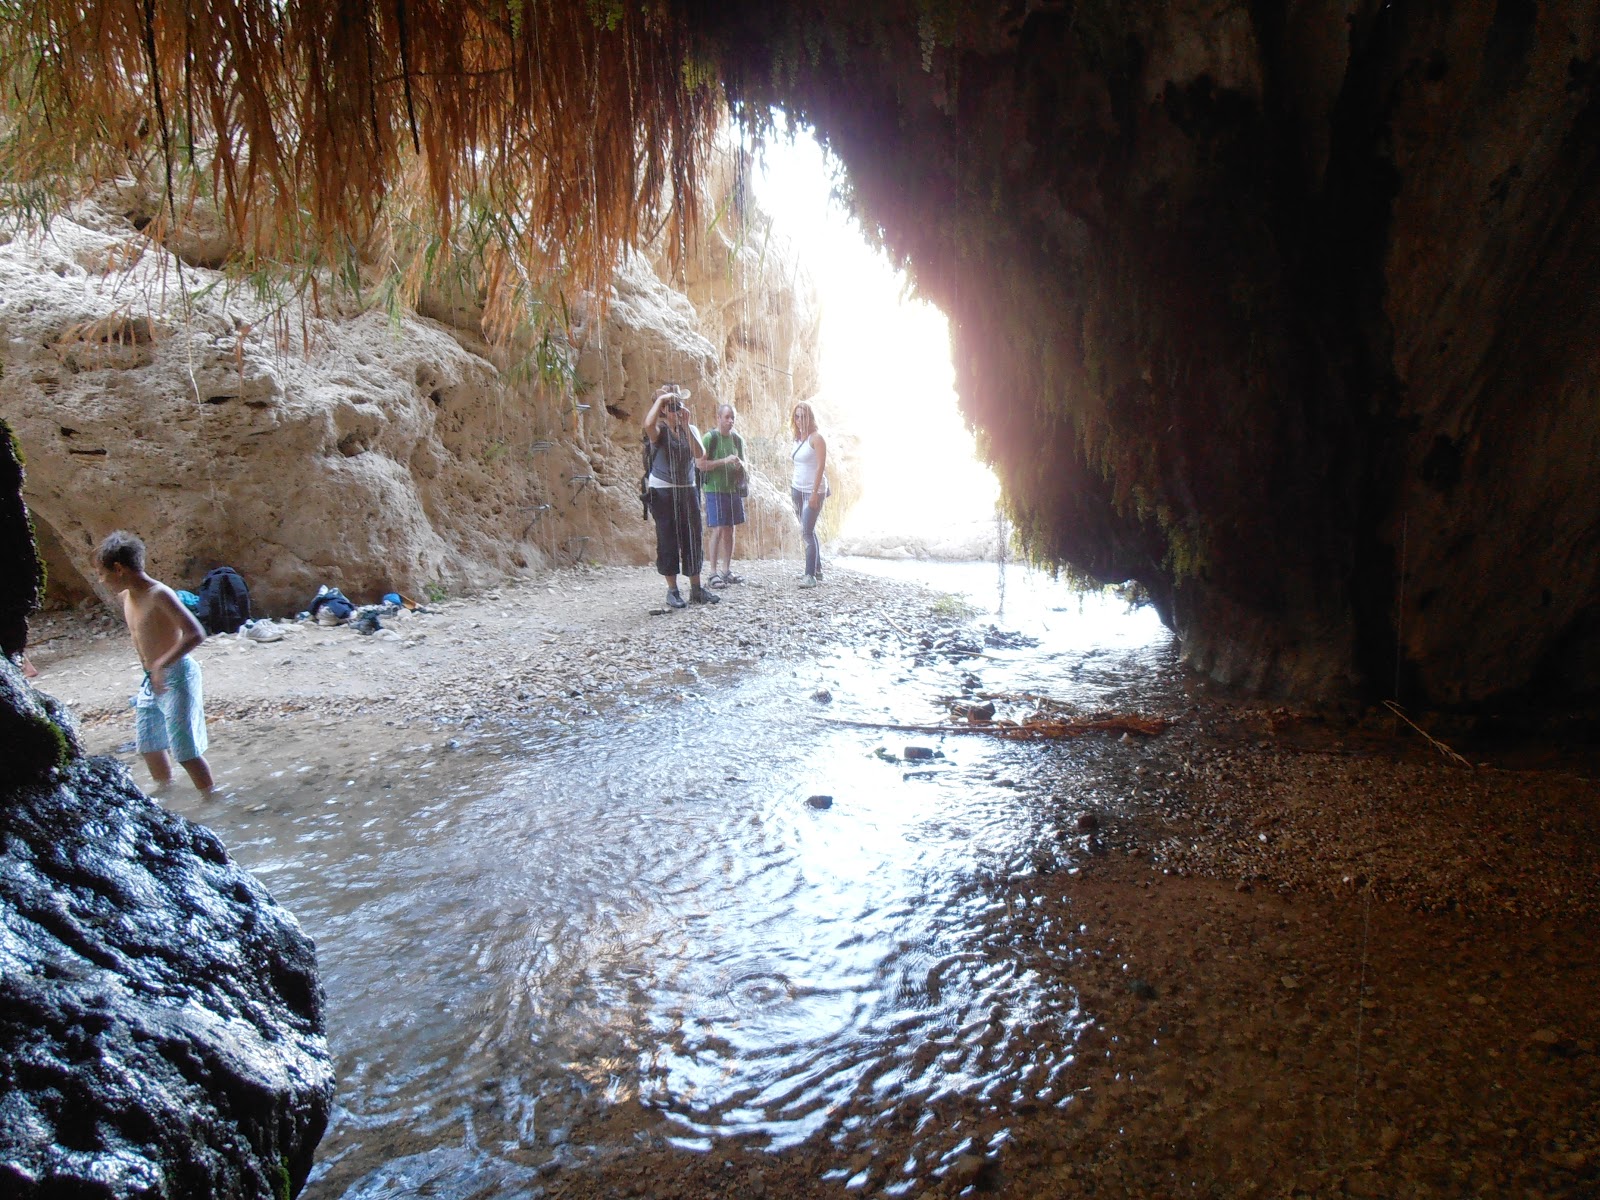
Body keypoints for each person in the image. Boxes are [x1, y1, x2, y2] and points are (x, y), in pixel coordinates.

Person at [94, 530, 215, 792]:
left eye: (102, 573)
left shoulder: (159, 594)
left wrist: (161, 663)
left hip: (178, 676)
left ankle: (210, 799)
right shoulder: (126, 596)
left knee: (186, 752)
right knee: (149, 746)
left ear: (119, 569)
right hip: (151, 680)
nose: (100, 580)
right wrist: (153, 669)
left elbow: (195, 632)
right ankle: (166, 797)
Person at [643, 383, 720, 608]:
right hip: (663, 491)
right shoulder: (658, 430)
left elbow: (699, 454)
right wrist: (662, 399)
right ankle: (673, 590)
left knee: (692, 537)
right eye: (672, 406)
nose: (677, 410)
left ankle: (696, 588)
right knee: (667, 539)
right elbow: (648, 423)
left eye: (679, 405)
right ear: (664, 410)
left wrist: (685, 426)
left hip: (687, 489)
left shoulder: (691, 429)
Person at [699, 402, 747, 587]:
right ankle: (712, 572)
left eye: (732, 417)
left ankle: (726, 570)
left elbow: (744, 463)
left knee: (730, 529)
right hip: (714, 489)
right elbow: (701, 464)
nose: (730, 421)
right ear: (718, 418)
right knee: (718, 528)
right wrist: (724, 461)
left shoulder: (737, 440)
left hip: (732, 489)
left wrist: (738, 465)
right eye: (727, 417)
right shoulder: (709, 438)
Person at [789, 401, 829, 588]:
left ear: (810, 417)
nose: (799, 420)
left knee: (807, 532)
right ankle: (817, 570)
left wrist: (814, 493)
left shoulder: (816, 438)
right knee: (808, 530)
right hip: (797, 489)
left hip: (813, 491)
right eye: (796, 416)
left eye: (803, 416)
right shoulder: (797, 438)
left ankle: (809, 576)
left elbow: (821, 466)